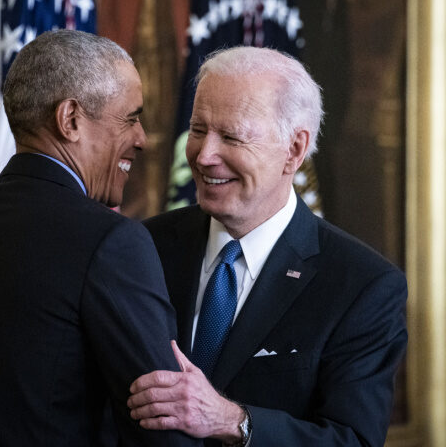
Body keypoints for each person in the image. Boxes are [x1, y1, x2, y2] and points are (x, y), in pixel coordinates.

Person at [0, 30, 200, 446]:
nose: (141, 139)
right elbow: (163, 430)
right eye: (130, 118)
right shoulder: (111, 243)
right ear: (70, 120)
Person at [127, 46, 407, 446]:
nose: (204, 156)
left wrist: (233, 421)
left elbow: (353, 440)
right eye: (199, 129)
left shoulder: (362, 286)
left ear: (293, 150)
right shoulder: (144, 248)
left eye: (231, 137)